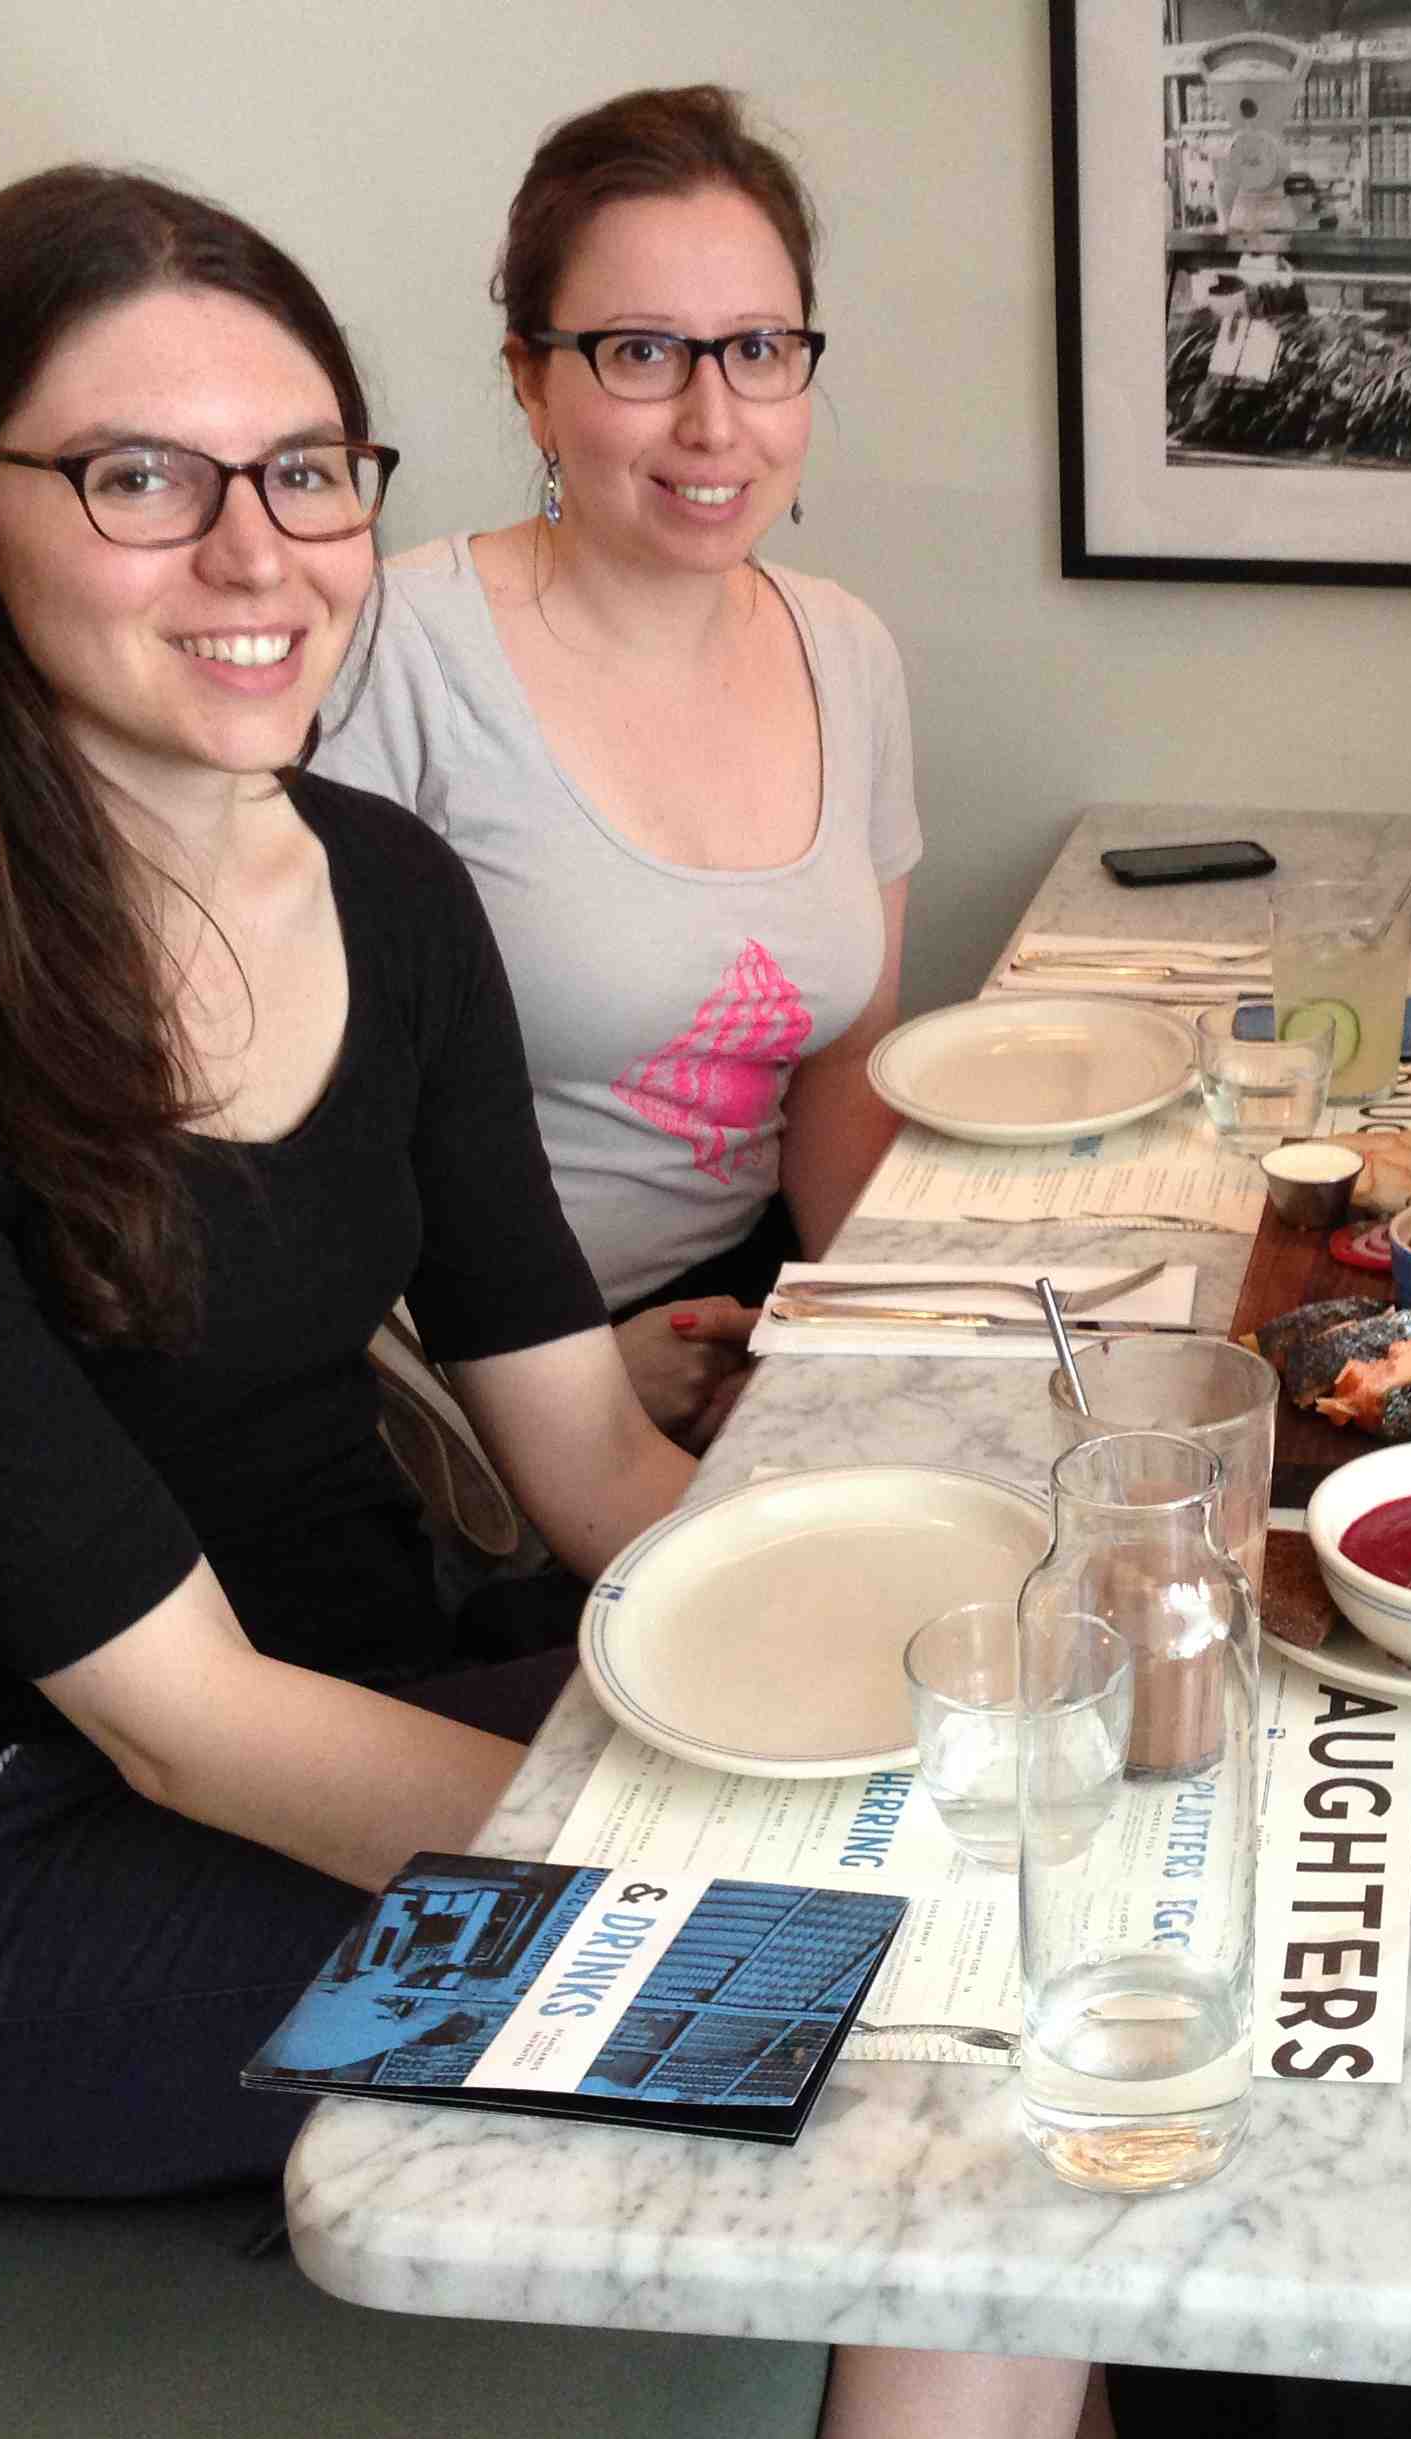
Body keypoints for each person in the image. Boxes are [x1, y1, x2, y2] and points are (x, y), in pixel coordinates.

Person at [0, 165, 1099, 2439]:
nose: (259, 556)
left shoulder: (388, 889)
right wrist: (759, 1880)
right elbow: (183, 1723)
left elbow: (590, 1464)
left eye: (308, 470)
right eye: (141, 478)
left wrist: (959, 1632)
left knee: (1060, 1872)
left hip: (364, 1711)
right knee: (919, 2031)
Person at [314, 87, 915, 1454]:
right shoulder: (393, 652)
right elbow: (309, 1164)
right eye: (642, 352)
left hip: (750, 1324)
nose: (714, 420)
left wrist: (861, 1345)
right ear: (531, 381)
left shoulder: (848, 651)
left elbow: (842, 1073)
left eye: (757, 349)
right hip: (463, 1377)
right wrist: (565, 1383)